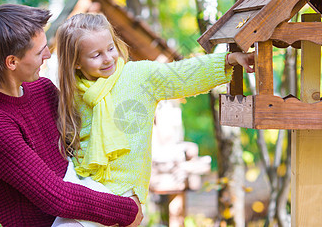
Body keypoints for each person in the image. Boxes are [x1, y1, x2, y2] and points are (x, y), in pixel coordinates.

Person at [54, 13, 255, 225]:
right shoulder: (71, 92)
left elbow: (181, 74)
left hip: (123, 192)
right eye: (96, 55)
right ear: (76, 62)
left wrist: (229, 60)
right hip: (84, 188)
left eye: (110, 48)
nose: (108, 58)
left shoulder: (138, 76)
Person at [0, 4, 142, 227]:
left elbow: (85, 135)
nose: (48, 55)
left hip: (85, 210)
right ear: (12, 62)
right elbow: (54, 196)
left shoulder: (43, 89)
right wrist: (126, 211)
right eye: (39, 52)